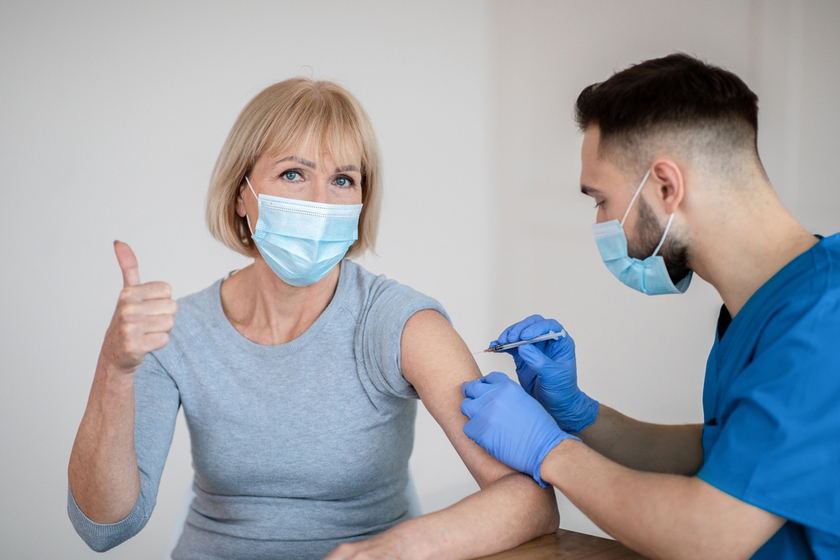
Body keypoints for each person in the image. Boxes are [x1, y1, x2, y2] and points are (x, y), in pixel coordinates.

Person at [68, 77, 558, 560]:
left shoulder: (401, 324)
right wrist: (115, 371)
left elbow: (529, 500)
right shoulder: (175, 332)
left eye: (342, 180)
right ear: (242, 195)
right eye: (293, 174)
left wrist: (400, 547)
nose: (321, 203)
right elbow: (105, 528)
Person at [461, 54, 839, 559]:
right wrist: (577, 413)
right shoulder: (768, 305)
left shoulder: (821, 324)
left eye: (600, 199)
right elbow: (721, 453)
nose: (599, 220)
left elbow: (707, 534)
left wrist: (550, 452)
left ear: (665, 186)